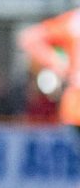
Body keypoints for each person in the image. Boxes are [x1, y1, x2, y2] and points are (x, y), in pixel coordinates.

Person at [18, 8, 80, 142]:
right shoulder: (74, 22)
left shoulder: (74, 21)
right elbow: (29, 38)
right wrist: (58, 63)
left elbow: (29, 38)